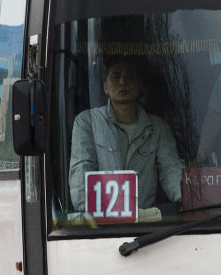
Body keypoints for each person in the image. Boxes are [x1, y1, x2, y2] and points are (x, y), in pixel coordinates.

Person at [69, 57, 183, 214]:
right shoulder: (87, 122)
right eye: (116, 76)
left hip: (148, 225)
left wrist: (184, 199)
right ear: (105, 87)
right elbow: (82, 169)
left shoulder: (158, 128)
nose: (123, 82)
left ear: (140, 85)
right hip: (101, 225)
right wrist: (87, 213)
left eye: (130, 75)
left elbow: (171, 168)